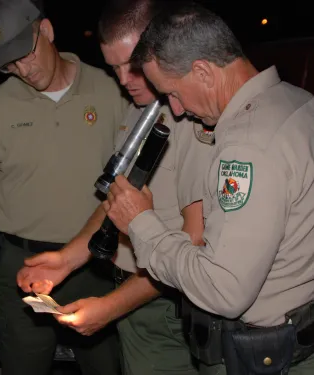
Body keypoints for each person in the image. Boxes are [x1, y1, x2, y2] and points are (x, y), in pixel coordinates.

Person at [103, 2, 314, 375]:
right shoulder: (297, 103)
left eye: (172, 92)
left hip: (264, 356)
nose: (177, 109)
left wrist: (142, 223)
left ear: (202, 71)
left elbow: (224, 290)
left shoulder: (247, 149)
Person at [16, 1, 214, 374]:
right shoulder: (138, 110)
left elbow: (196, 244)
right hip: (133, 298)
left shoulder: (191, 117)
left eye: (134, 65)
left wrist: (111, 308)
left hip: (169, 306)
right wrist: (66, 260)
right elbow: (117, 198)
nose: (124, 79)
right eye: (114, 68)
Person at [0, 0, 128, 374]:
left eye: (25, 54)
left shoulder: (110, 90)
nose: (22, 70)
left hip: (96, 262)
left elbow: (133, 180)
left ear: (46, 31)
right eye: (9, 63)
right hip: (23, 265)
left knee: (108, 368)